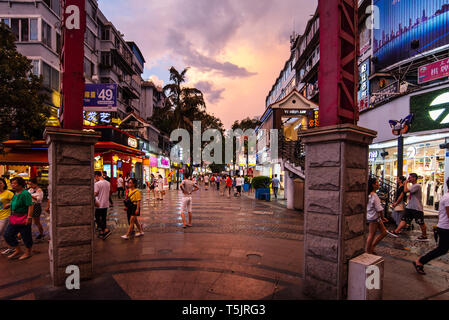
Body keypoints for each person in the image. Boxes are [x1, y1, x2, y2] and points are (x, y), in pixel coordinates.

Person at [413, 178, 449, 275]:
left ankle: (420, 261)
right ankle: (420, 261)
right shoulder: (448, 198)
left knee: (442, 249)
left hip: (444, 227)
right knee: (442, 249)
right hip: (445, 228)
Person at [3, 177, 34, 260]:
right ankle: (18, 250)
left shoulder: (25, 193)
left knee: (26, 237)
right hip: (14, 218)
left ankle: (28, 252)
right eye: (12, 183)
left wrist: (29, 217)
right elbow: (16, 202)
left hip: (23, 218)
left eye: (15, 183)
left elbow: (30, 205)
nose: (12, 185)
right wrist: (9, 205)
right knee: (7, 235)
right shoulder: (15, 193)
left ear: (20, 184)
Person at [392, 173, 428, 241]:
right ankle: (396, 231)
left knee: (420, 222)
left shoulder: (417, 186)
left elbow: (405, 191)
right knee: (404, 219)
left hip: (416, 207)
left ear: (414, 178)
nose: (409, 179)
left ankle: (424, 235)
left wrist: (405, 183)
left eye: (410, 177)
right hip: (410, 207)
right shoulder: (413, 186)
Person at [365, 178, 388, 254]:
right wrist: (383, 217)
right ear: (373, 185)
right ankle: (368, 250)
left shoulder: (370, 194)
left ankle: (372, 247)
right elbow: (379, 209)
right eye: (377, 183)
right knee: (371, 234)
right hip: (374, 218)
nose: (378, 184)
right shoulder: (374, 196)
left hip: (375, 217)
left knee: (384, 232)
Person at [94, 171, 111, 240]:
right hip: (106, 203)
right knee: (103, 218)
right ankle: (103, 232)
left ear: (96, 176)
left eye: (95, 177)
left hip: (99, 203)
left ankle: (105, 230)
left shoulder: (97, 184)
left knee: (97, 217)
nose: (95, 179)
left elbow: (95, 193)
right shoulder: (108, 183)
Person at [0, 178, 14, 255]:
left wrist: (9, 204)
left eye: (0, 183)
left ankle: (12, 247)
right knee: (4, 233)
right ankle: (10, 247)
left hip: (5, 215)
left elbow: (16, 200)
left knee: (1, 231)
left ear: (4, 184)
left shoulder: (8, 193)